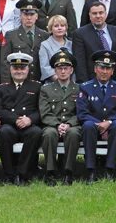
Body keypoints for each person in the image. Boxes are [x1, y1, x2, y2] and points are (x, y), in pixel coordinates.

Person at [0, 52, 42, 186]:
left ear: (28, 69)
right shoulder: (1, 88)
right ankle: (9, 174)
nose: (19, 71)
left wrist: (30, 120)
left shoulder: (37, 87)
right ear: (10, 69)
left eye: (22, 68)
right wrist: (15, 119)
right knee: (4, 133)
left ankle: (23, 173)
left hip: (29, 125)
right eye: (15, 68)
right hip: (10, 125)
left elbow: (42, 110)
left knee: (36, 133)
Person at [76, 50, 116, 184]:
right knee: (87, 125)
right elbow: (82, 113)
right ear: (95, 69)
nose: (104, 71)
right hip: (92, 127)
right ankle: (91, 170)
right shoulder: (85, 87)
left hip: (111, 126)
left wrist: (108, 122)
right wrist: (100, 124)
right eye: (102, 67)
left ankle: (109, 168)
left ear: (112, 71)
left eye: (108, 68)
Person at [39, 50, 81, 186]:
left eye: (66, 68)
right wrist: (57, 125)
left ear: (71, 70)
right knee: (49, 134)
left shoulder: (79, 89)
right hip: (52, 125)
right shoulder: (46, 89)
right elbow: (44, 113)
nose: (63, 71)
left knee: (73, 133)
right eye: (59, 68)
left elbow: (81, 112)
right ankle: (50, 171)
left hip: (72, 125)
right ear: (55, 70)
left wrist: (68, 124)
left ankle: (68, 171)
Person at [73, 1, 116, 83]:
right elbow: (80, 63)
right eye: (94, 13)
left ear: (106, 14)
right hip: (92, 82)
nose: (98, 16)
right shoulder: (80, 34)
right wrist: (85, 84)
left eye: (101, 13)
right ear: (89, 16)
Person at [2, 0, 49, 83]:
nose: (29, 18)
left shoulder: (44, 35)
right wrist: (6, 84)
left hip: (39, 82)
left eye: (32, 14)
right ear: (20, 16)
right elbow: (5, 62)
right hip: (18, 82)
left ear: (37, 16)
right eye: (26, 14)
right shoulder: (11, 35)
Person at [38, 14, 73, 83]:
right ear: (51, 29)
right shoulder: (45, 45)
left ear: (66, 28)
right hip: (52, 83)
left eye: (62, 25)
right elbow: (45, 67)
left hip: (72, 82)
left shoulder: (71, 44)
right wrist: (60, 80)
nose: (59, 28)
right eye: (56, 26)